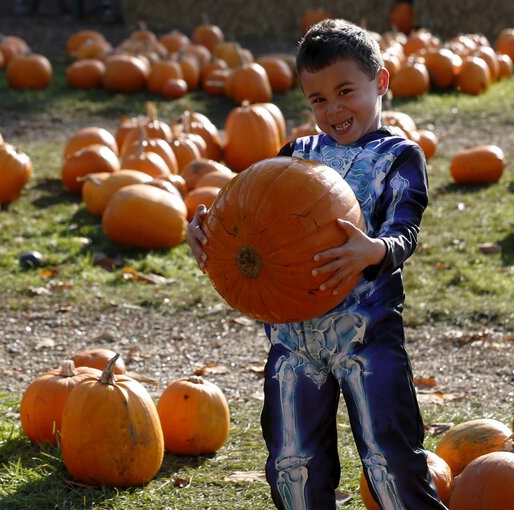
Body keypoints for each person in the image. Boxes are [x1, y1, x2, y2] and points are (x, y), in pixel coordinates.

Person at [186, 18, 446, 510]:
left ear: (381, 82)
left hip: (366, 333)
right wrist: (208, 238)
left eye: (346, 91)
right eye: (319, 100)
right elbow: (257, 226)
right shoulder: (296, 156)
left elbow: (404, 231)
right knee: (292, 462)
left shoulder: (398, 157)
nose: (334, 109)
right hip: (291, 338)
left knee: (389, 454)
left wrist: (375, 250)